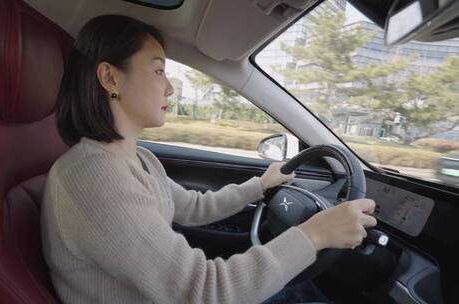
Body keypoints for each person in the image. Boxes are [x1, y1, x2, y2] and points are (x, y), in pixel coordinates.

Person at [41, 14, 378, 304]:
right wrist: (315, 234)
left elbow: (194, 207)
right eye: (158, 71)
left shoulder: (139, 159)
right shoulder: (92, 174)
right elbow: (203, 291)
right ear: (110, 78)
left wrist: (261, 184)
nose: (170, 88)